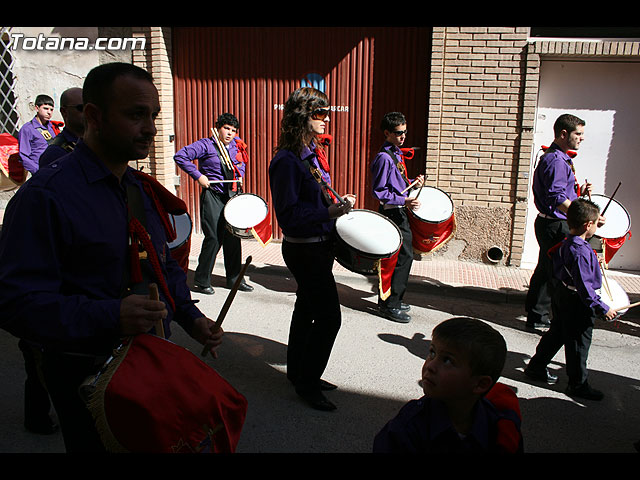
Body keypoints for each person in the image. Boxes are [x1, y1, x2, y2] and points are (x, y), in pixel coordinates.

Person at [0, 62, 224, 452]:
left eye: (152, 115)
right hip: (84, 374)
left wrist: (192, 318)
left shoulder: (139, 188)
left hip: (149, 361)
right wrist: (111, 314)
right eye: (136, 115)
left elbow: (162, 266)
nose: (151, 128)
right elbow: (15, 302)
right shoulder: (46, 196)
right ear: (93, 116)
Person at [268, 87, 355, 411]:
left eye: (327, 112)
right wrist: (329, 212)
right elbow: (288, 215)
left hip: (319, 246)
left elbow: (312, 199)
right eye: (320, 114)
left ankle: (298, 372)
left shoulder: (309, 152)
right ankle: (307, 383)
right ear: (302, 117)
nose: (326, 119)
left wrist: (336, 202)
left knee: (306, 309)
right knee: (330, 317)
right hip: (304, 249)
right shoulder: (287, 161)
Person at [373, 317, 523, 453]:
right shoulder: (408, 427)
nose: (430, 365)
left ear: (480, 384)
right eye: (432, 353)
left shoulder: (500, 430)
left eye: (447, 360)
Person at [524, 199, 616, 401]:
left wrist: (593, 260)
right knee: (578, 343)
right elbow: (584, 286)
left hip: (563, 294)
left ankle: (536, 366)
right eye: (595, 223)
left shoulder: (566, 243)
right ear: (588, 225)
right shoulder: (581, 251)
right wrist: (601, 308)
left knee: (557, 333)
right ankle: (577, 384)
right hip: (577, 301)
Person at [525, 114, 604, 331]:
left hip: (552, 223)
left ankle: (537, 316)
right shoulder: (556, 160)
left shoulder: (559, 158)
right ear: (563, 134)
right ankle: (544, 319)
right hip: (555, 225)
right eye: (578, 133)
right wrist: (587, 216)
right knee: (554, 274)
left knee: (546, 271)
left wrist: (580, 194)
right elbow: (557, 197)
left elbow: (562, 193)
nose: (581, 138)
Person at [174, 113, 253, 295]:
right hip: (213, 194)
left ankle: (234, 279)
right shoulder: (205, 145)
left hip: (232, 195)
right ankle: (202, 280)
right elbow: (180, 156)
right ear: (218, 128)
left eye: (233, 130)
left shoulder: (236, 146)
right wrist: (198, 176)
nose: (230, 133)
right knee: (214, 237)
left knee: (233, 237)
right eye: (226, 128)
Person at [370, 112, 423, 323]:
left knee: (402, 257)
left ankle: (393, 298)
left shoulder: (396, 153)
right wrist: (405, 200)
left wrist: (413, 181)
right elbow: (379, 191)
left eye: (404, 132)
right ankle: (389, 305)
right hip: (393, 212)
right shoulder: (384, 157)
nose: (403, 137)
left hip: (399, 210)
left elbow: (398, 182)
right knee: (402, 258)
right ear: (387, 133)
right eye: (398, 133)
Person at [39, 87, 85, 167]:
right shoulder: (55, 154)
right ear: (64, 112)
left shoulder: (94, 142)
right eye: (81, 108)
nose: (87, 112)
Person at [16, 94, 60, 174]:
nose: (49, 112)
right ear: (37, 108)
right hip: (40, 171)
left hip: (56, 170)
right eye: (45, 108)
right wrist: (38, 171)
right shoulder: (27, 129)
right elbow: (23, 156)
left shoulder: (53, 127)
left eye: (51, 109)